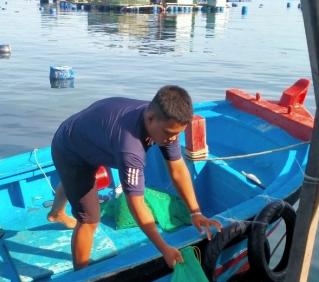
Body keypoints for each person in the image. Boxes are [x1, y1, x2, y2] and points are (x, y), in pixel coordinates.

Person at [47, 85, 222, 270]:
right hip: (70, 149)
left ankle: (56, 213)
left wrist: (195, 212)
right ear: (150, 118)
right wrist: (164, 248)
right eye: (170, 134)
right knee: (89, 219)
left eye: (178, 133)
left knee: (73, 182)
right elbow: (136, 204)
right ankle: (81, 277)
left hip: (93, 137)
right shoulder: (130, 148)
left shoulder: (166, 122)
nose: (173, 139)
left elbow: (177, 169)